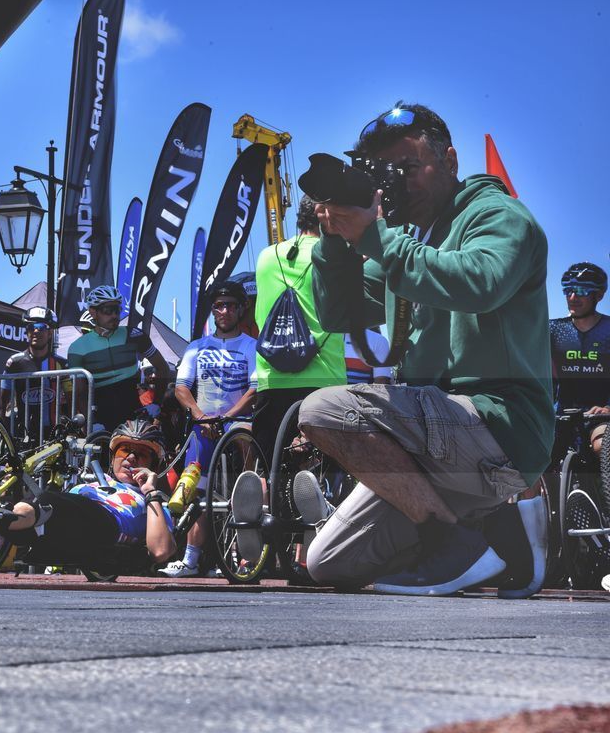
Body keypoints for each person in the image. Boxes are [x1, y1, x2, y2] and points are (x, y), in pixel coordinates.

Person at [293, 102, 552, 598]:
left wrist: (378, 238)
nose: (398, 183)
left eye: (408, 168)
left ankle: (453, 542)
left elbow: (482, 283)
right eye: (387, 173)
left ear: (450, 161)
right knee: (328, 564)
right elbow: (337, 314)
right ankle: (489, 533)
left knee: (325, 409)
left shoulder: (498, 215)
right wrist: (333, 239)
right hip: (434, 441)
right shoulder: (408, 237)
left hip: (499, 425)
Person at [0, 419, 176, 568]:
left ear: (154, 465)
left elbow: (160, 551)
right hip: (61, 525)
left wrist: (151, 492)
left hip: (105, 524)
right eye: (125, 450)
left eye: (141, 454)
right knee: (32, 514)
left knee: (47, 500)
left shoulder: (154, 503)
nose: (131, 458)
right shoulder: (95, 481)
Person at [165, 280, 257, 577]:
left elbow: (254, 391)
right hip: (204, 423)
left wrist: (225, 416)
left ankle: (243, 556)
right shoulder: (197, 347)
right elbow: (181, 388)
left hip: (236, 422)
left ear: (241, 309)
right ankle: (190, 561)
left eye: (231, 305)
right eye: (219, 305)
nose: (225, 310)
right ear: (212, 311)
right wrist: (200, 415)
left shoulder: (251, 346)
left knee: (244, 490)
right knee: (197, 491)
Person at [249, 196, 347, 465]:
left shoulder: (266, 257)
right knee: (330, 468)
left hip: (272, 377)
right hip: (325, 378)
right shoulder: (337, 258)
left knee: (268, 465)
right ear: (326, 215)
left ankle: (263, 493)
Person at [65, 285, 169, 433]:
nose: (114, 315)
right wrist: (90, 422)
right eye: (108, 310)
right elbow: (80, 393)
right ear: (93, 312)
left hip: (133, 411)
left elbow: (162, 367)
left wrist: (157, 404)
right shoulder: (77, 348)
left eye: (117, 309)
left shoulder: (134, 335)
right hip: (101, 415)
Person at [549, 263, 610, 451]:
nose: (572, 297)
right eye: (568, 290)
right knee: (533, 451)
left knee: (603, 446)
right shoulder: (553, 329)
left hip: (601, 414)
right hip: (562, 414)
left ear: (598, 295)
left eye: (581, 291)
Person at [0, 306, 67, 435]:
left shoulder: (61, 364)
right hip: (22, 433)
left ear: (50, 332)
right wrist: (0, 431)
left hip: (54, 432)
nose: (36, 331)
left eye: (41, 327)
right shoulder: (14, 363)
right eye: (31, 327)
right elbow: (2, 402)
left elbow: (73, 399)